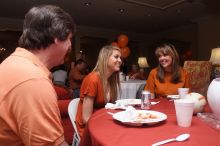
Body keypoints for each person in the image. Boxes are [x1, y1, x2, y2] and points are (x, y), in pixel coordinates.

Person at [0, 5, 74, 146]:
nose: (70, 45)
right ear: (57, 37)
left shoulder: (15, 62)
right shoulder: (33, 79)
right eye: (69, 38)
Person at [75, 45, 122, 138]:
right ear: (105, 58)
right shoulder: (93, 79)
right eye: (116, 57)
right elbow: (86, 119)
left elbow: (109, 108)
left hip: (103, 121)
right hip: (89, 128)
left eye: (120, 58)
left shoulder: (110, 80)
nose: (120, 60)